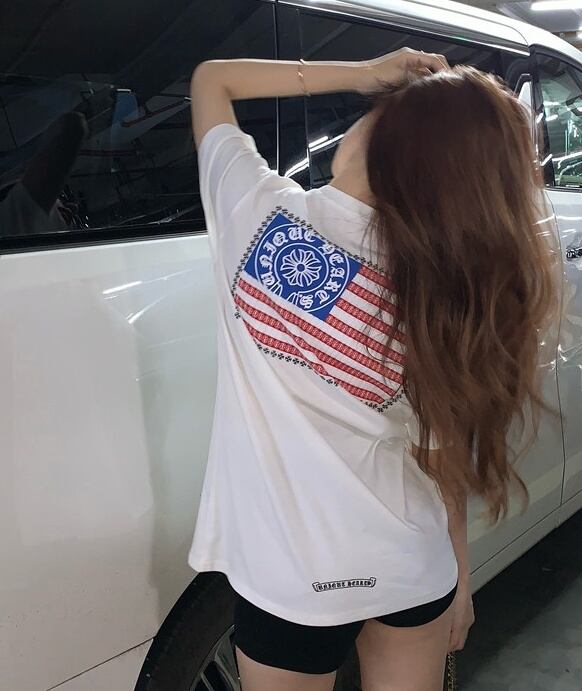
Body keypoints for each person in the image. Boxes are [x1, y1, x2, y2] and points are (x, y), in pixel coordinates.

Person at [187, 48, 558, 691]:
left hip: (292, 580)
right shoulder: (443, 290)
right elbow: (441, 459)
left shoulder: (256, 217)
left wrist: (363, 72)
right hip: (412, 568)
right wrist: (460, 576)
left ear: (391, 144)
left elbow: (211, 80)